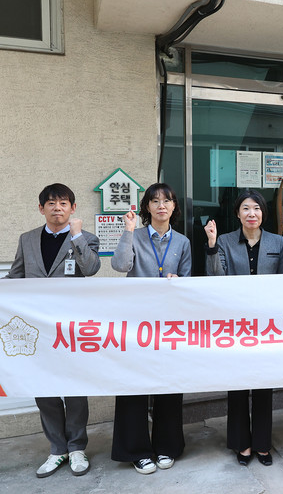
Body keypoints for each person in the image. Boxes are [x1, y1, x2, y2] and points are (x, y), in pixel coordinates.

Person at [0, 183, 100, 478]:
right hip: (36, 328)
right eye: (51, 203)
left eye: (63, 203)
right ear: (41, 208)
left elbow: (91, 268)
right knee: (42, 387)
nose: (57, 208)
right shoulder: (28, 239)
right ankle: (57, 449)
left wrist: (76, 236)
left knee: (74, 388)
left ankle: (77, 448)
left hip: (69, 328)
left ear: (73, 208)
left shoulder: (86, 238)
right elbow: (15, 276)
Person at [110, 183, 191, 474]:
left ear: (174, 206)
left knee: (169, 382)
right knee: (133, 384)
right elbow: (120, 265)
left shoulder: (182, 242)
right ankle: (137, 450)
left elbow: (188, 280)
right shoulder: (136, 235)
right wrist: (128, 230)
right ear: (147, 207)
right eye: (154, 201)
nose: (161, 205)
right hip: (136, 322)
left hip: (169, 323)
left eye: (166, 200)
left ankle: (167, 446)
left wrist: (178, 280)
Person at [204, 190, 283, 467]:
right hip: (235, 322)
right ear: (238, 214)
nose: (252, 213)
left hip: (266, 323)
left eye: (257, 208)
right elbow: (215, 278)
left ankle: (262, 444)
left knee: (263, 384)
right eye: (246, 209)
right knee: (238, 384)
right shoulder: (225, 241)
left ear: (263, 213)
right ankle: (242, 444)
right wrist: (212, 245)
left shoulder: (277, 241)